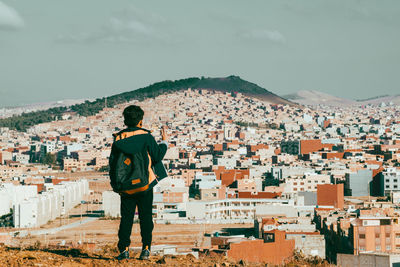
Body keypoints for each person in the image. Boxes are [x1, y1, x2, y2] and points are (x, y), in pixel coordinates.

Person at [109, 105, 168, 260]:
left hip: (126, 186)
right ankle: (146, 249)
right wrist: (165, 143)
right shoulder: (146, 136)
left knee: (126, 218)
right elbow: (156, 156)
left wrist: (116, 185)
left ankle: (124, 250)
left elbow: (113, 163)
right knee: (146, 217)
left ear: (126, 120)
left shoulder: (118, 138)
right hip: (144, 185)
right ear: (141, 120)